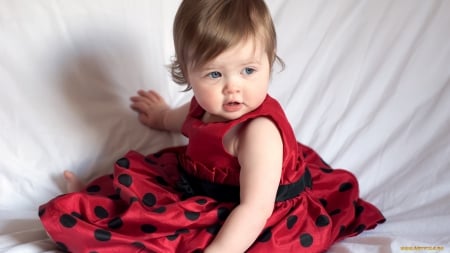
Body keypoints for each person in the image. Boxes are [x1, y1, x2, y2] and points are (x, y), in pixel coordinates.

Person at [39, 0, 385, 252]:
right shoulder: (203, 107)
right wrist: (160, 116)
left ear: (269, 61)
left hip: (250, 213)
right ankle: (91, 202)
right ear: (188, 74)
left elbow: (255, 209)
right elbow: (182, 121)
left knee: (165, 239)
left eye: (248, 70)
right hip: (197, 184)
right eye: (214, 74)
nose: (233, 87)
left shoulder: (257, 133)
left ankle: (94, 226)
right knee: (137, 179)